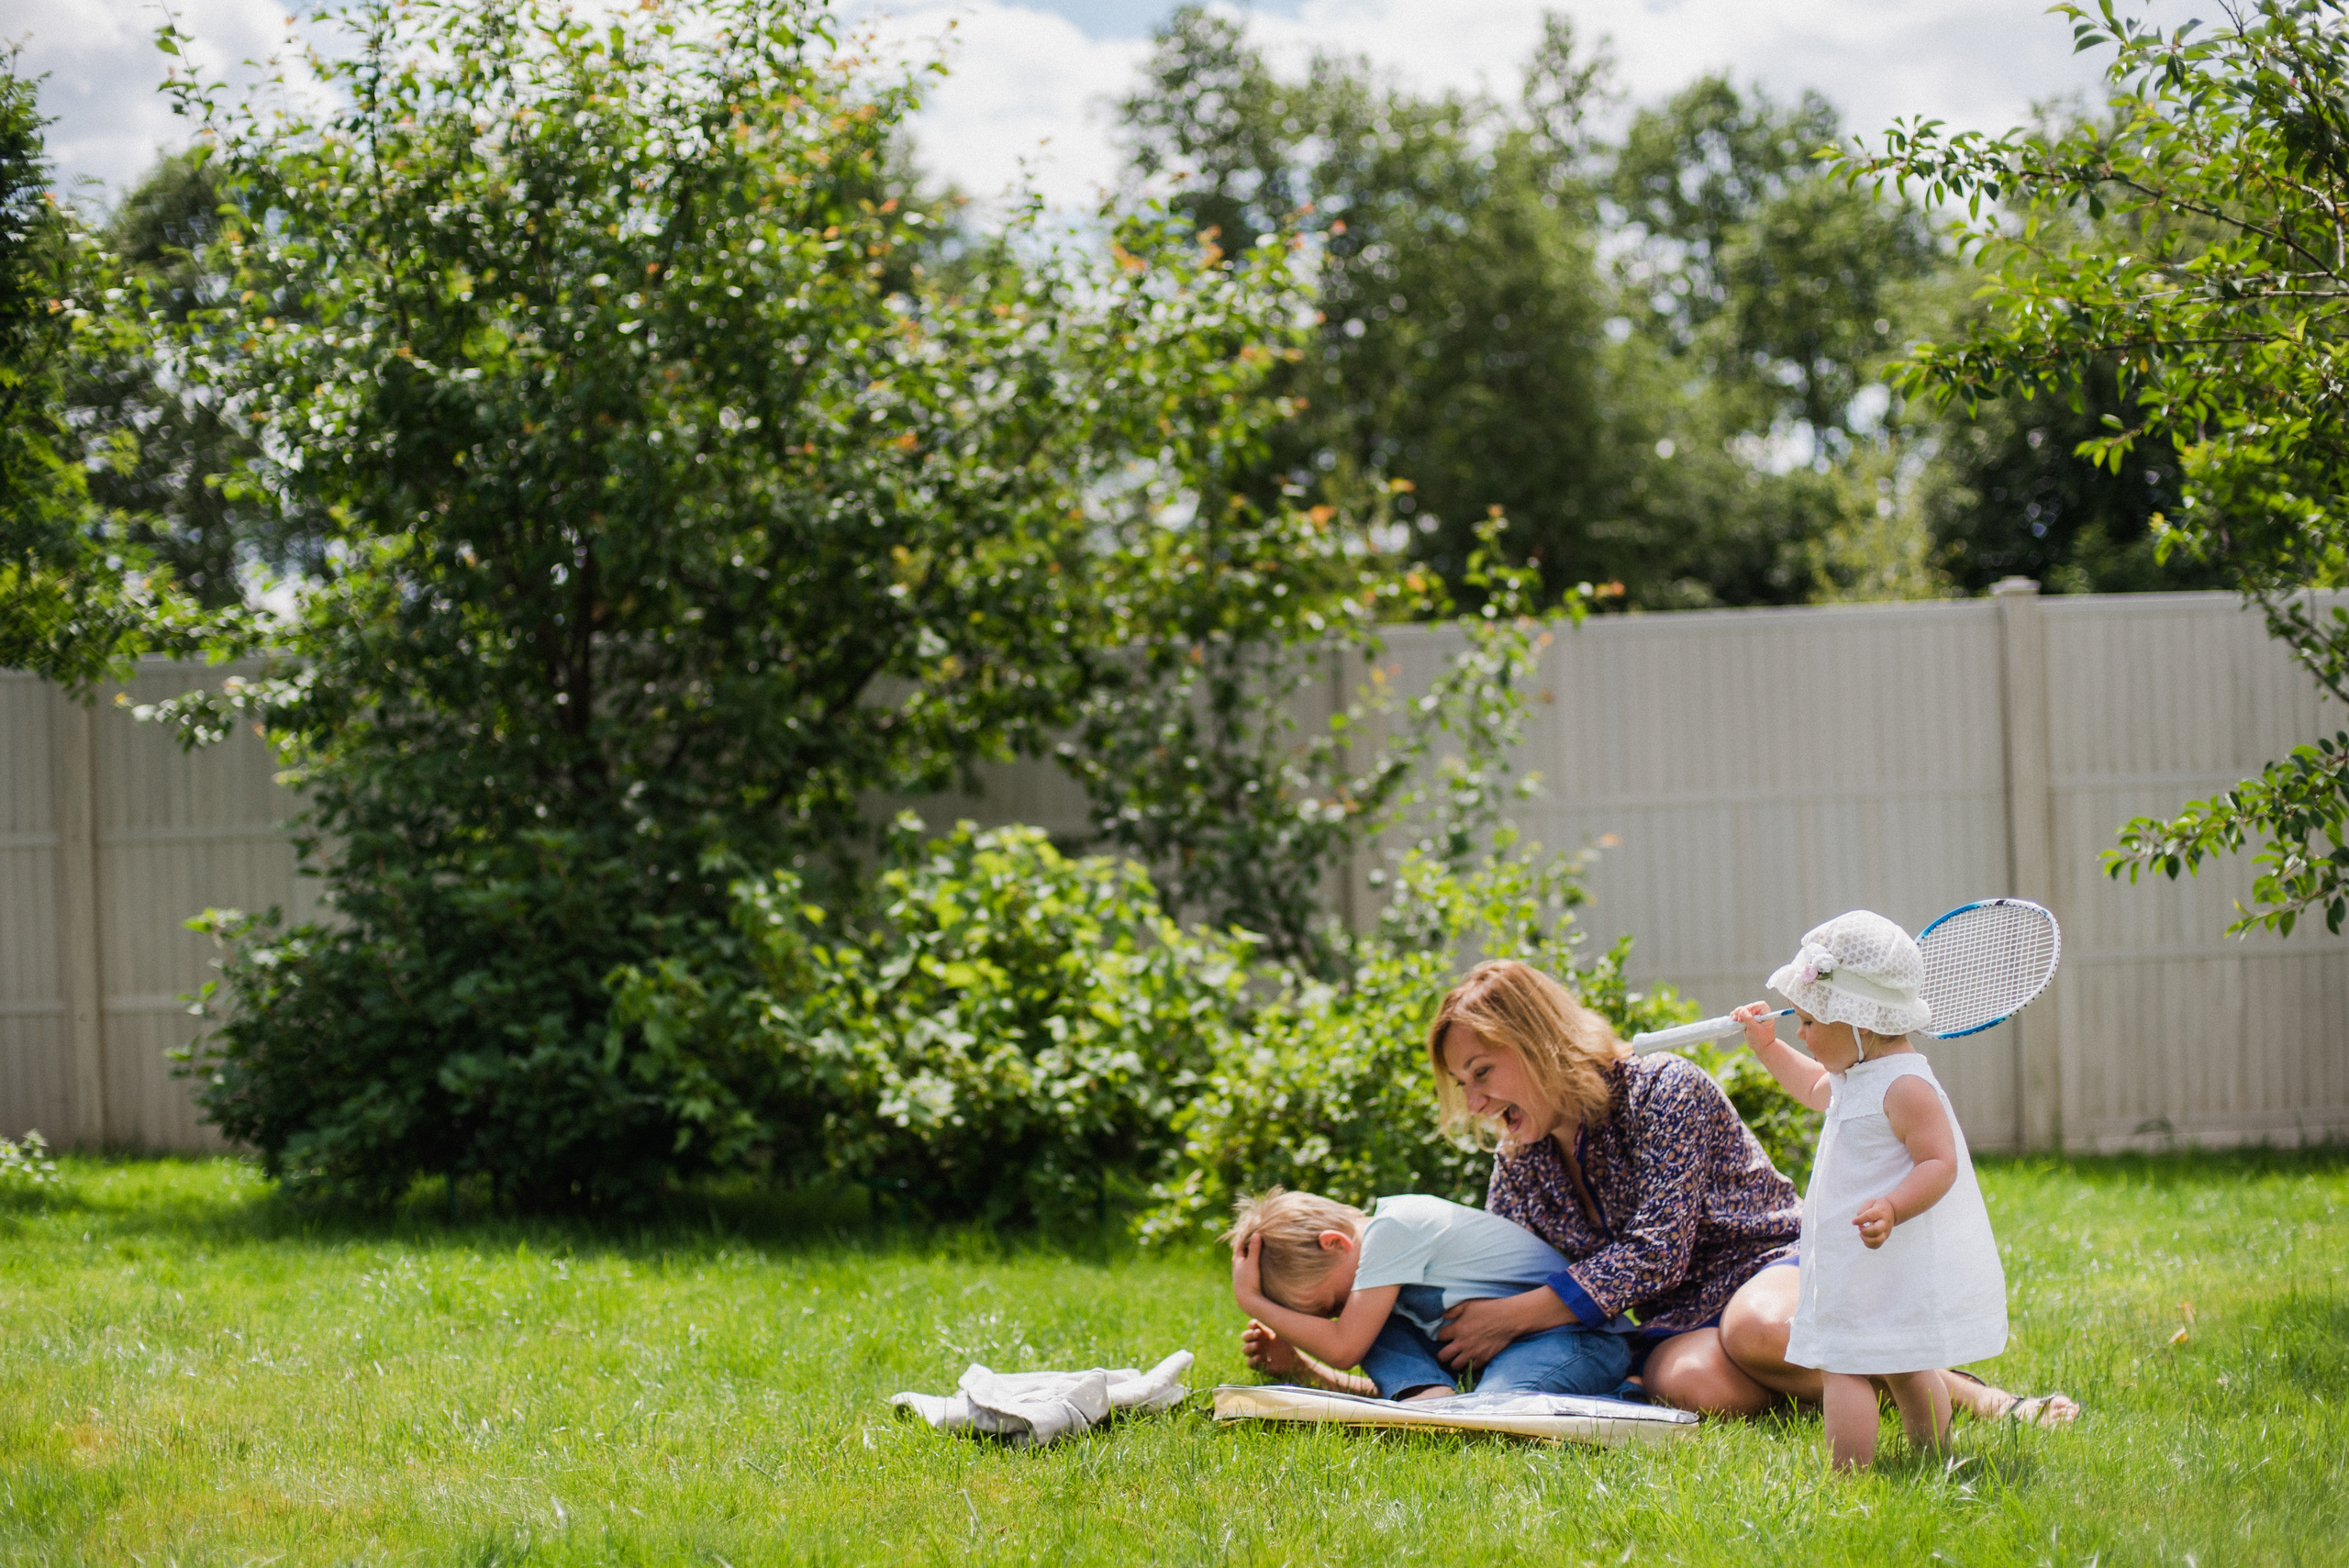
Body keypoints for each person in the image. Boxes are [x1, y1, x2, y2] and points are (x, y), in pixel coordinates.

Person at [1353, 958, 2074, 1429]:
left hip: (1766, 1268)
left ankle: (1979, 1397)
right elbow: (1508, 1269)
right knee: (1692, 1384)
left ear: (1536, 1039)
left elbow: (1655, 1252)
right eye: (1462, 1084)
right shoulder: (1521, 1160)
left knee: (1757, 1329)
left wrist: (1512, 1317)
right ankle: (1846, 1382)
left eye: (1482, 1071)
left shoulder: (1665, 1088)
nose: (1475, 1100)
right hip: (1678, 1317)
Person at [1731, 910, 2009, 1468]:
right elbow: (1812, 1086)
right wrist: (1767, 1049)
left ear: (1860, 1020)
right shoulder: (1853, 1074)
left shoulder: (1905, 1086)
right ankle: (1933, 1458)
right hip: (1855, 1252)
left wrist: (1893, 1205)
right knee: (1904, 1362)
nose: (1801, 1033)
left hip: (1881, 1249)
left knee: (1846, 1363)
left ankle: (1849, 1478)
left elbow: (1938, 1162)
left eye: (1810, 1021)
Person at [1225, 1185, 1634, 1402]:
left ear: (1335, 1243)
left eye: (1330, 1304)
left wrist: (1253, 1302)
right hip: (1500, 1353)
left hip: (1578, 1340)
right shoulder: (1386, 1263)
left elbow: (1344, 1347)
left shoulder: (1395, 1228)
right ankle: (1426, 1398)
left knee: (1498, 1410)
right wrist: (1307, 1372)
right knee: (1383, 1332)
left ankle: (1633, 1394)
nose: (1338, 1314)